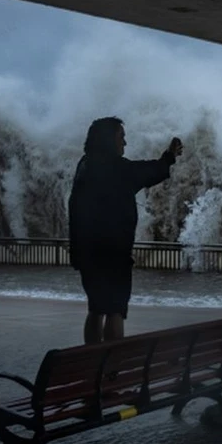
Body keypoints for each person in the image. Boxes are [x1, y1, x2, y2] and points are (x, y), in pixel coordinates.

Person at [68, 116, 183, 344]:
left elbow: (75, 208)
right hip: (113, 255)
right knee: (115, 311)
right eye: (121, 137)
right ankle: (110, 367)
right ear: (108, 140)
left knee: (96, 309)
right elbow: (146, 172)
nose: (125, 143)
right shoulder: (115, 169)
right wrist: (169, 157)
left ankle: (92, 362)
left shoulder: (85, 165)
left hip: (87, 254)